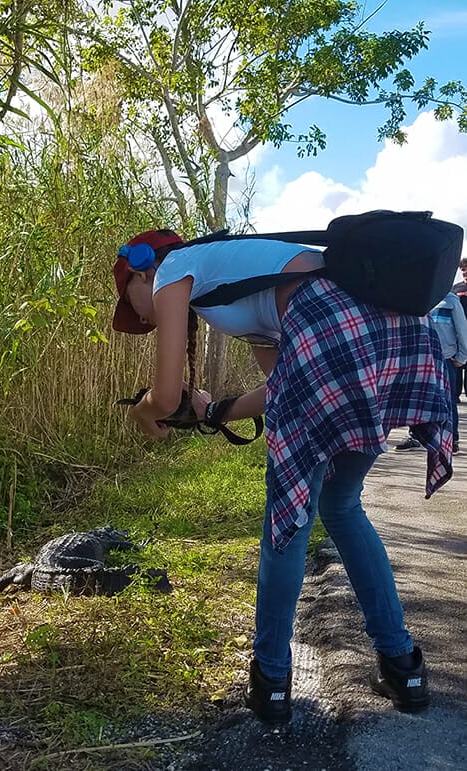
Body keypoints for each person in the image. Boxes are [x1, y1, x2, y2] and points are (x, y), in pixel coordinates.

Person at [112, 228, 452, 724]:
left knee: (287, 524)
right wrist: (217, 412)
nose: (140, 315)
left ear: (141, 270)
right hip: (396, 335)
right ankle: (404, 668)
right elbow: (282, 386)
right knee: (340, 503)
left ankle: (271, 681)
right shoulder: (242, 280)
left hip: (332, 328)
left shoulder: (172, 269)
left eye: (130, 300)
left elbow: (163, 398)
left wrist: (144, 413)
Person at [395, 290, 467, 454]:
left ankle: (451, 439)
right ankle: (415, 435)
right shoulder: (417, 297)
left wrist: (462, 356)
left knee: (447, 399)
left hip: (445, 357)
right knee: (416, 397)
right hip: (420, 356)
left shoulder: (451, 302)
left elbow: (462, 330)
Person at [451, 257, 467, 401]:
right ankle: (455, 395)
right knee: (456, 364)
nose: (465, 272)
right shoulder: (456, 288)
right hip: (457, 331)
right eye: (463, 270)